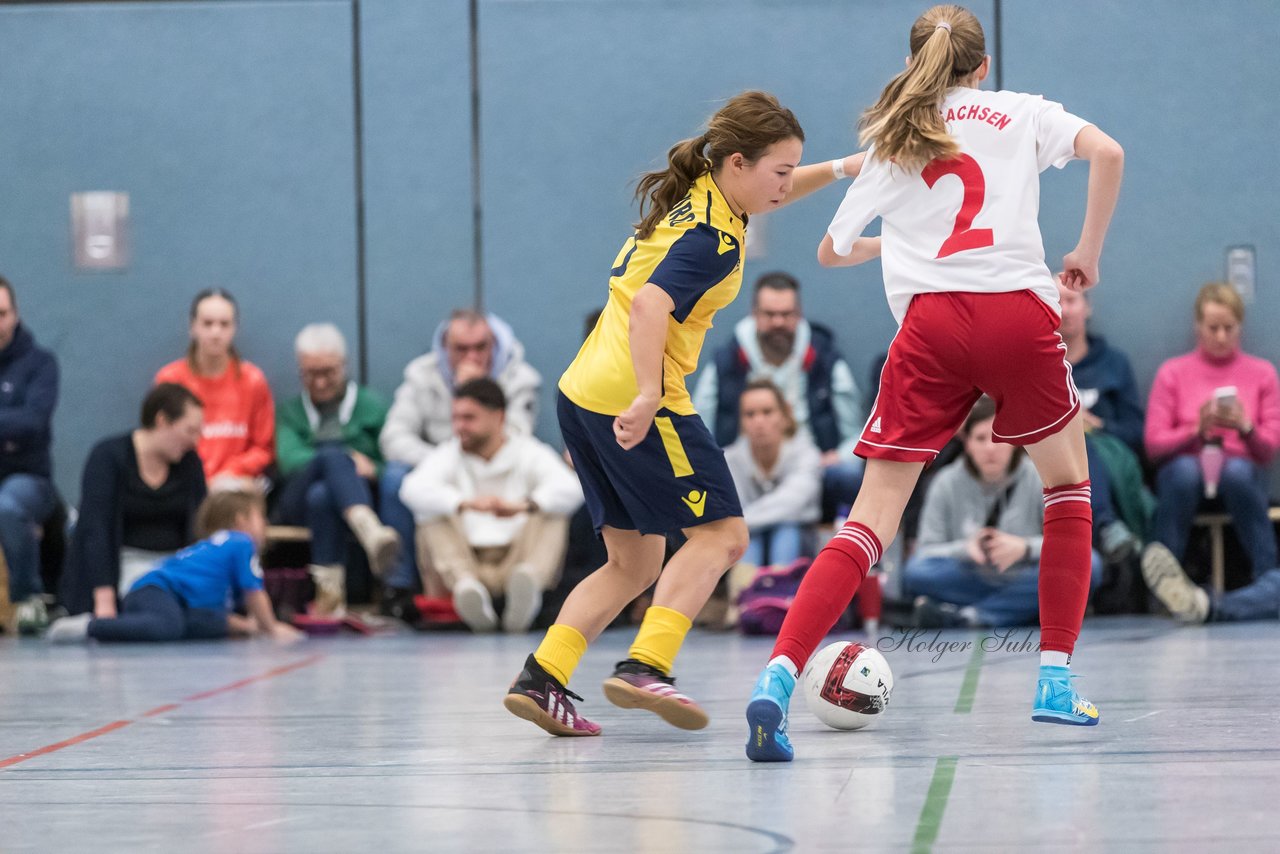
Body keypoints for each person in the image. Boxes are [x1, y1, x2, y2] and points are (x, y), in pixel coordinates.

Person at [745, 5, 1124, 762]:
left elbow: (830, 251)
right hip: (1016, 315)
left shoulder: (895, 131)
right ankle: (1053, 678)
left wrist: (906, 244)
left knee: (870, 519)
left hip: (929, 328)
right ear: (982, 66)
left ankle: (779, 678)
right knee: (1068, 492)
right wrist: (1086, 249)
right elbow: (1108, 151)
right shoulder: (1021, 112)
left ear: (917, 60)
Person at [501, 89, 864, 738]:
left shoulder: (705, 188)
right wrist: (646, 395)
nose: (785, 185)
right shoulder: (714, 239)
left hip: (581, 390)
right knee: (723, 537)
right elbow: (650, 308)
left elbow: (774, 186)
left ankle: (542, 677)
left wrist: (841, 170)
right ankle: (647, 664)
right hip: (637, 396)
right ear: (737, 164)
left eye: (791, 171)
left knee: (633, 565)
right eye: (778, 171)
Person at [378, 310, 542, 596]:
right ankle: (400, 590)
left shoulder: (521, 377)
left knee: (549, 493)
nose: (472, 357)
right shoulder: (421, 375)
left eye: (481, 347)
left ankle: (524, 584)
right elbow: (393, 438)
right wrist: (445, 463)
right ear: (444, 348)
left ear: (495, 346)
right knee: (395, 478)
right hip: (440, 466)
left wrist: (482, 391)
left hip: (499, 471)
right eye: (461, 349)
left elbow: (517, 437)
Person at [399, 378, 583, 633]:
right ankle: (467, 590)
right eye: (456, 418)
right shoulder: (448, 454)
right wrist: (463, 504)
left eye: (469, 418)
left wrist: (524, 506)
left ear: (498, 417)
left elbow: (572, 488)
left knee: (552, 510)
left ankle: (528, 583)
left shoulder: (527, 451)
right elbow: (411, 489)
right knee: (430, 513)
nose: (459, 426)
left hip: (516, 560)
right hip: (467, 563)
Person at [905, 397, 1104, 628]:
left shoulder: (1040, 476)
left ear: (1014, 441)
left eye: (997, 438)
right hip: (972, 575)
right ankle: (1011, 609)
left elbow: (1070, 542)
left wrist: (1024, 548)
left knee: (1091, 564)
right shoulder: (945, 482)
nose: (990, 448)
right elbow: (925, 552)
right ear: (966, 443)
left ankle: (970, 616)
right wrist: (966, 549)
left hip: (1024, 572)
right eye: (980, 439)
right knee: (915, 572)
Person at [693, 272, 866, 519]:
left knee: (848, 476)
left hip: (811, 467)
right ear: (754, 314)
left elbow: (855, 433)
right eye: (769, 314)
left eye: (786, 315)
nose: (778, 323)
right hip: (742, 471)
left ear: (799, 315)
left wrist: (838, 456)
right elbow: (701, 429)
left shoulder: (825, 361)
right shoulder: (726, 363)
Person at [1141, 282, 1279, 583]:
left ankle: (1268, 578)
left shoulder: (1263, 373)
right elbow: (1153, 445)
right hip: (1185, 473)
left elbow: (1268, 449)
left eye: (1228, 327)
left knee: (1237, 473)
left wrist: (1245, 427)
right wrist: (1196, 430)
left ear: (1240, 327)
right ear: (1198, 327)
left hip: (1239, 474)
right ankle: (1163, 583)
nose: (1220, 336)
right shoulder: (1173, 372)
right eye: (1212, 327)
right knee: (1183, 472)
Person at [47, 491, 302, 643]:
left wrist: (249, 627)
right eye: (260, 517)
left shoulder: (220, 549)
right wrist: (271, 629)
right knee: (168, 626)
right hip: (156, 589)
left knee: (208, 624)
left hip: (171, 599)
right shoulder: (240, 542)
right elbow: (254, 592)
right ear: (241, 520)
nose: (266, 525)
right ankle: (90, 626)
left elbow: (217, 615)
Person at [275, 324, 398, 612]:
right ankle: (369, 530)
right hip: (295, 501)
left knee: (324, 496)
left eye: (328, 372)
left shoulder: (373, 406)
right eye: (311, 373)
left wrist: (373, 469)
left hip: (357, 493)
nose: (320, 382)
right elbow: (289, 459)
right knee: (331, 457)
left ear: (345, 366)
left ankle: (329, 596)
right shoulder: (289, 412)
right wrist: (343, 461)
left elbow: (391, 461)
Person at [60, 384, 208, 618]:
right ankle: (92, 626)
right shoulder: (108, 457)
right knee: (163, 616)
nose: (195, 441)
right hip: (128, 565)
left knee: (205, 622)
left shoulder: (190, 464)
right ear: (162, 421)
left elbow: (201, 527)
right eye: (190, 431)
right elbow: (95, 528)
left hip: (174, 567)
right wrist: (104, 600)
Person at [1057, 283, 1148, 562]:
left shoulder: (1114, 364)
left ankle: (1107, 526)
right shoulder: (1031, 364)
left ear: (1087, 307)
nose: (1063, 309)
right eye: (1054, 301)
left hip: (1109, 458)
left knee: (1082, 443)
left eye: (1070, 300)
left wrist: (1096, 425)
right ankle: (1106, 528)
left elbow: (1136, 434)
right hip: (1051, 461)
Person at [155, 289, 275, 492]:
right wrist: (200, 478)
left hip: (235, 486)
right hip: (183, 483)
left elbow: (263, 448)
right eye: (207, 323)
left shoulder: (253, 380)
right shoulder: (170, 380)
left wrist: (231, 472)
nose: (216, 332)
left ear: (234, 328)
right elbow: (160, 441)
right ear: (192, 327)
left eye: (224, 324)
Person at [0, 276, 60, 632]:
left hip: (29, 479)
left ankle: (28, 599)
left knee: (6, 506)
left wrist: (15, 429)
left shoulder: (40, 364)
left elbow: (33, 423)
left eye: (2, 313)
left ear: (15, 315)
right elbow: (16, 424)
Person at [724, 379, 822, 568]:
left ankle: (783, 593)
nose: (759, 421)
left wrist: (739, 523)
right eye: (749, 414)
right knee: (749, 539)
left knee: (786, 529)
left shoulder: (807, 455)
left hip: (797, 534)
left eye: (767, 412)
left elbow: (790, 504)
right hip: (748, 535)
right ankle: (745, 594)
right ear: (741, 422)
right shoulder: (729, 460)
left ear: (785, 416)